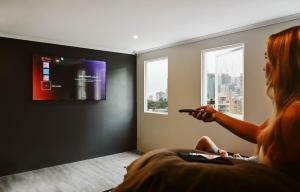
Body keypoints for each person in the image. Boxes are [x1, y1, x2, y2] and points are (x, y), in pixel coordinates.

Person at [190, 26, 300, 173]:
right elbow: (259, 132)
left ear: (286, 65)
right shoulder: (288, 108)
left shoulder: (294, 113)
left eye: (267, 58)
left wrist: (237, 166)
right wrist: (215, 115)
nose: (263, 67)